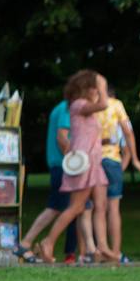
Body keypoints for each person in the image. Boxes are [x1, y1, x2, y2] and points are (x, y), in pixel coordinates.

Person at [37, 70, 110, 264]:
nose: (97, 90)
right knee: (76, 207)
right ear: (85, 88)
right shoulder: (78, 105)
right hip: (83, 165)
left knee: (100, 205)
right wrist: (102, 83)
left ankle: (102, 247)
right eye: (94, 87)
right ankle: (48, 241)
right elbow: (104, 104)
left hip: (94, 164)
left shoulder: (84, 108)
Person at [92, 74, 140, 263]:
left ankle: (100, 249)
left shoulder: (90, 106)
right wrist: (135, 158)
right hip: (113, 159)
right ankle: (115, 252)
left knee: (99, 208)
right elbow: (128, 133)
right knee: (113, 208)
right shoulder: (116, 105)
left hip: (94, 160)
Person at [14, 98, 74, 262]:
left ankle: (85, 250)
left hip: (60, 164)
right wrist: (75, 160)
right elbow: (62, 137)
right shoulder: (66, 108)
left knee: (70, 207)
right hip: (64, 165)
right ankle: (27, 243)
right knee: (57, 207)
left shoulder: (60, 107)